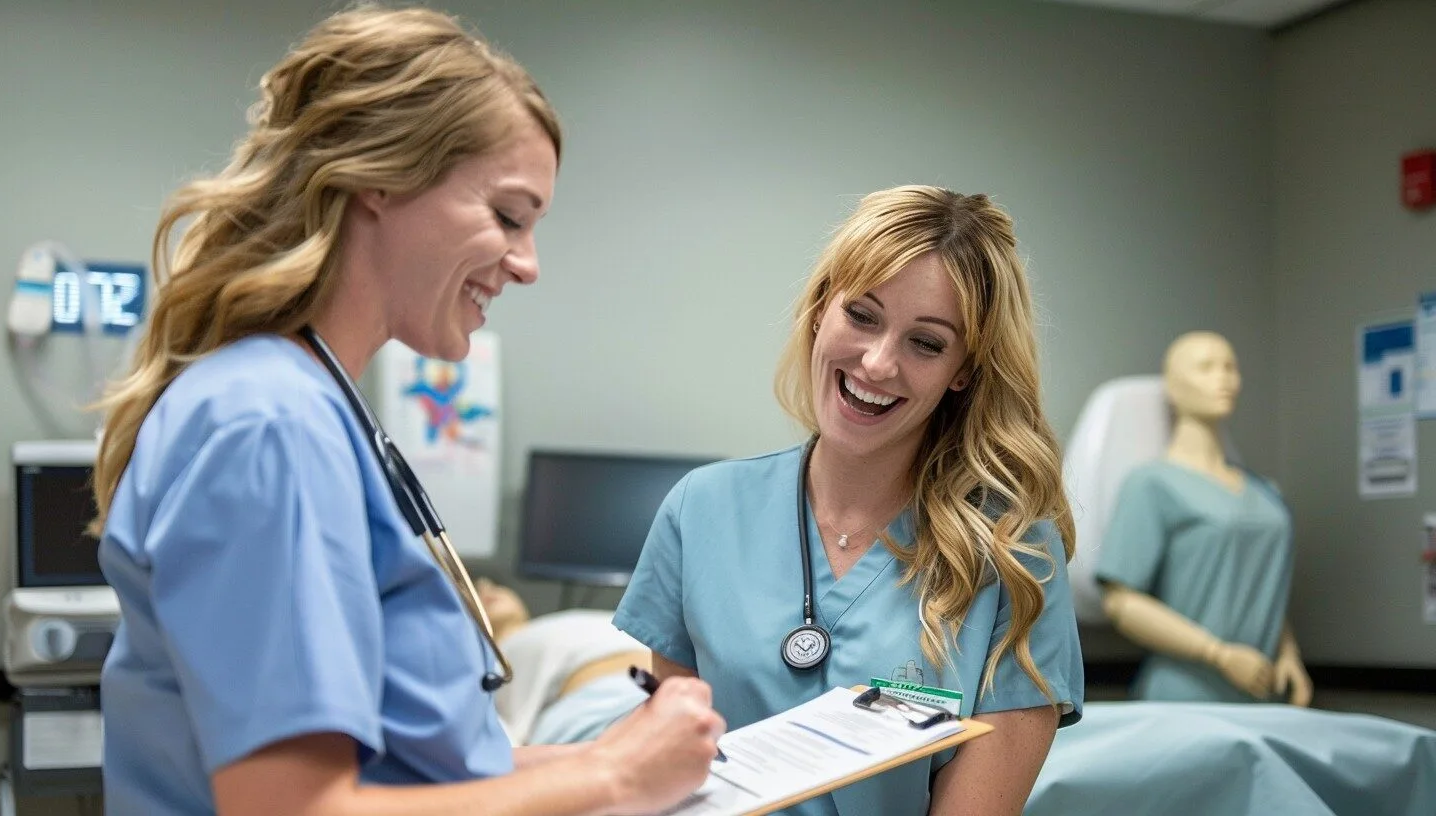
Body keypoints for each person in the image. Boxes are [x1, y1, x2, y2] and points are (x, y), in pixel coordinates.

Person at [90, 7, 723, 815]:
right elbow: (294, 808)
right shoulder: (271, 425)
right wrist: (615, 780)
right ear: (379, 178)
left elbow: (404, 774)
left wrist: (606, 755)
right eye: (508, 216)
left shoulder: (309, 404)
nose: (527, 266)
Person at [613, 186, 1085, 816]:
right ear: (820, 311)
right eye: (861, 315)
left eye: (926, 343)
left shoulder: (1014, 555)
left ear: (964, 370)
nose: (878, 362)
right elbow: (676, 777)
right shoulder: (702, 510)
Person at [1095, 331, 1313, 705]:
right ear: (1174, 386)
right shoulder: (1152, 484)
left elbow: (1264, 587)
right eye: (1206, 368)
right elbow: (1120, 602)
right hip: (1186, 693)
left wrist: (1289, 655)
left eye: (1230, 367)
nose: (1224, 378)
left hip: (1264, 689)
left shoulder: (1266, 493)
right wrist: (1219, 654)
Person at [477, 579, 650, 746]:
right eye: (474, 591)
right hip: (593, 711)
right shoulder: (489, 663)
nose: (486, 587)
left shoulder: (561, 620)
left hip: (657, 689)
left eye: (496, 584)